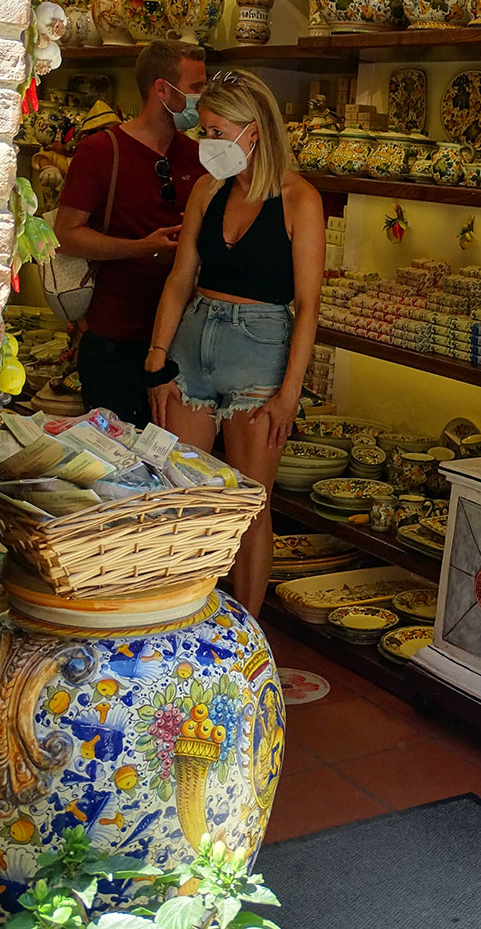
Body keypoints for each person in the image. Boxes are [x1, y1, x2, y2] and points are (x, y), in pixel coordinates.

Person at [144, 69, 325, 614]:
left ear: (255, 131)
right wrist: (156, 359)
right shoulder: (208, 189)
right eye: (204, 131)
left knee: (250, 506)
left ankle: (249, 636)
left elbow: (309, 304)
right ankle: (183, 622)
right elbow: (180, 278)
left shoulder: (300, 199)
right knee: (182, 496)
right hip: (193, 341)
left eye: (217, 132)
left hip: (260, 349)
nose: (208, 143)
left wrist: (290, 393)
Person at [55, 40, 206, 427]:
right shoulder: (101, 150)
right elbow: (66, 235)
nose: (202, 98)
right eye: (195, 88)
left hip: (183, 343)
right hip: (114, 339)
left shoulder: (200, 156)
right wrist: (143, 247)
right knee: (114, 458)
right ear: (162, 90)